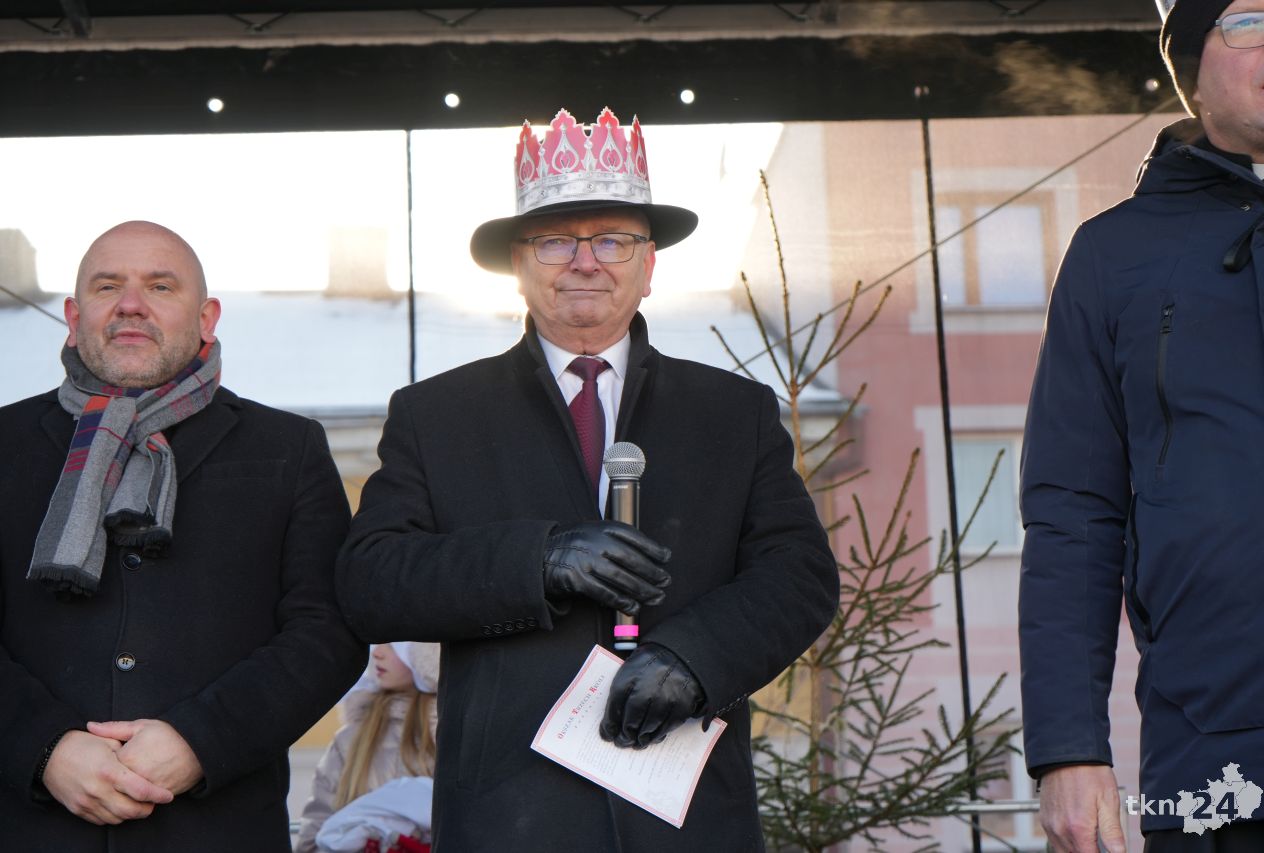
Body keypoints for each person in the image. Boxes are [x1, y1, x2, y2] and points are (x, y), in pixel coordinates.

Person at [335, 107, 838, 851]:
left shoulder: (734, 413)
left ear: (648, 265)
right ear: (518, 265)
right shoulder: (437, 415)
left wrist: (694, 658)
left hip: (686, 816)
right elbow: (371, 580)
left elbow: (800, 577)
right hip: (509, 816)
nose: (585, 261)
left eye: (612, 240)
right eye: (555, 241)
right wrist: (537, 560)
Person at [0, 221, 367, 851]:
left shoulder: (288, 448)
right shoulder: (4, 445)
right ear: (73, 317)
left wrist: (200, 741)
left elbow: (328, 633)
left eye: (160, 286)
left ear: (206, 319)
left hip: (218, 830)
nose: (131, 304)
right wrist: (45, 750)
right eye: (107, 286)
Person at [1020, 1, 1264, 849]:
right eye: (1250, 20)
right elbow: (1073, 512)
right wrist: (1068, 747)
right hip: (1213, 754)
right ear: (1189, 66)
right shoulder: (1114, 255)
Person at [296, 642, 439, 853]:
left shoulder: (451, 734)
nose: (377, 652)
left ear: (428, 653)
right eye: (378, 643)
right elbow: (313, 836)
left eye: (393, 644)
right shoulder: (350, 739)